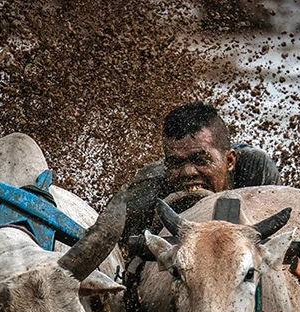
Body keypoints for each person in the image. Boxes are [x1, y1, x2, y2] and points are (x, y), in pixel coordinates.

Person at [117, 101, 282, 245]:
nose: (188, 173)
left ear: (230, 161)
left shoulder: (255, 170)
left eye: (201, 160)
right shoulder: (146, 190)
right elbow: (121, 255)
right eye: (176, 163)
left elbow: (278, 233)